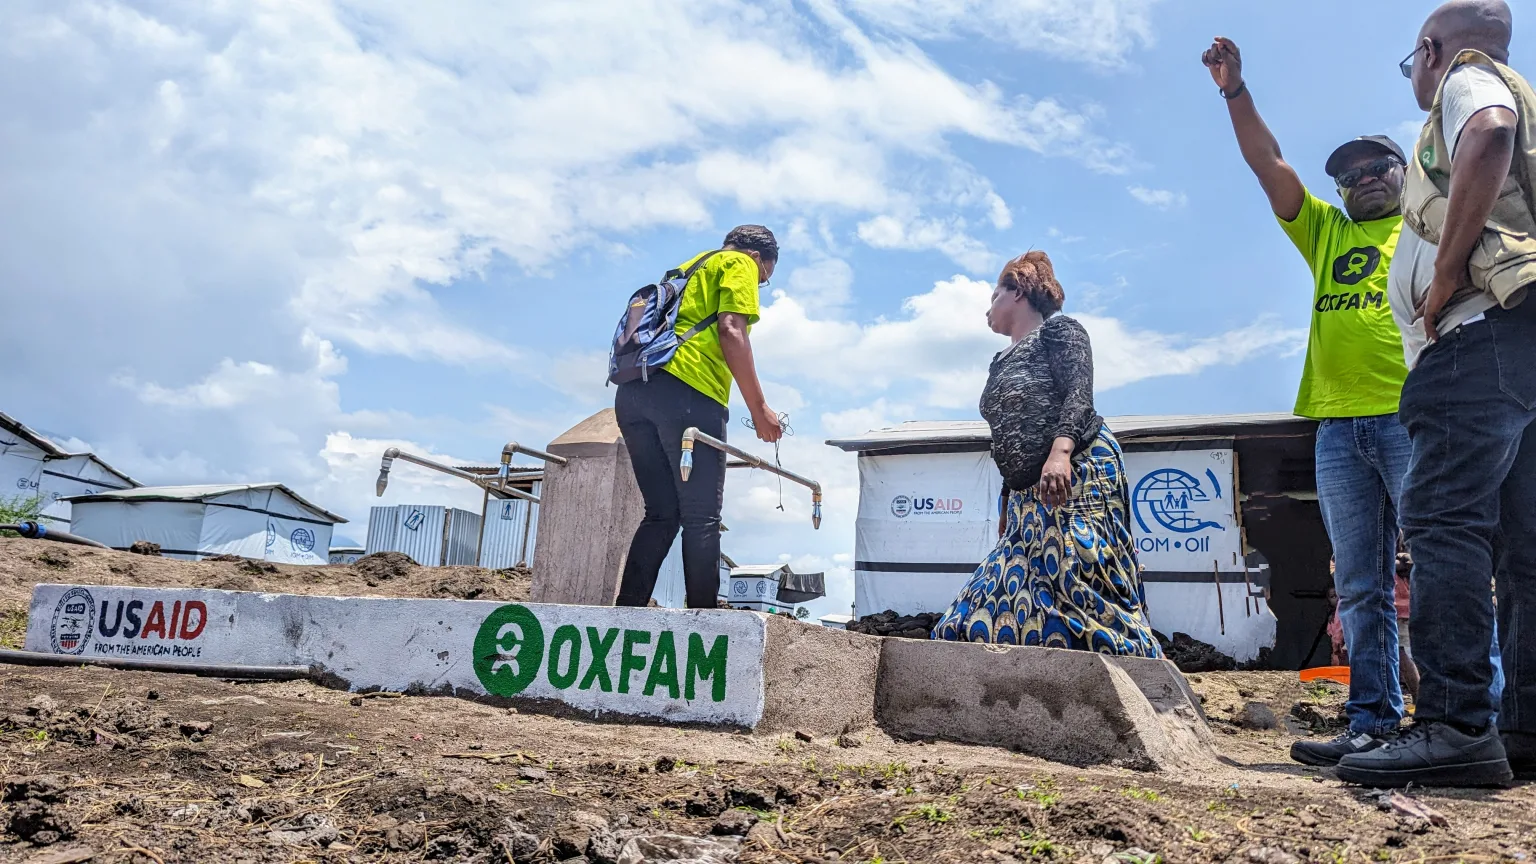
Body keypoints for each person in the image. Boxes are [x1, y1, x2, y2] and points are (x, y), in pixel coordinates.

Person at [1338, 0, 1534, 788]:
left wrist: (1447, 270)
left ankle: (1454, 725)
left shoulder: (1469, 77)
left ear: (1429, 50)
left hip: (1477, 335)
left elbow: (1484, 132)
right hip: (1521, 337)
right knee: (1522, 547)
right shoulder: (1525, 85)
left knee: (1444, 521)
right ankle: (1520, 728)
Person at [1203, 38, 1414, 767]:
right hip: (1335, 427)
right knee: (1358, 585)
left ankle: (1467, 723)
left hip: (1412, 419)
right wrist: (1236, 92)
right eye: (1349, 174)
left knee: (1450, 571)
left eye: (1376, 166)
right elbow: (1270, 164)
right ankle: (1373, 724)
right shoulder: (1326, 233)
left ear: (1406, 172)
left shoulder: (1430, 226)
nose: (1362, 180)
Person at [930, 251, 1160, 656]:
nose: (988, 308)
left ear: (1017, 291)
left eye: (994, 295)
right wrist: (1008, 496)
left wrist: (1061, 451)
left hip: (1076, 472)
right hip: (1026, 498)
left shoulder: (1060, 332)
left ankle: (1137, 673)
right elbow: (1007, 433)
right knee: (984, 607)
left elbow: (1078, 394)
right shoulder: (998, 363)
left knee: (1080, 577)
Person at [613, 226, 784, 609]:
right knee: (701, 516)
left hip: (634, 392)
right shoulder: (739, 262)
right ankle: (705, 622)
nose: (759, 284)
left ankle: (626, 614)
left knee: (661, 513)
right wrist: (760, 410)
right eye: (763, 279)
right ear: (758, 258)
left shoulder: (687, 268)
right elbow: (731, 329)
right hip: (689, 393)